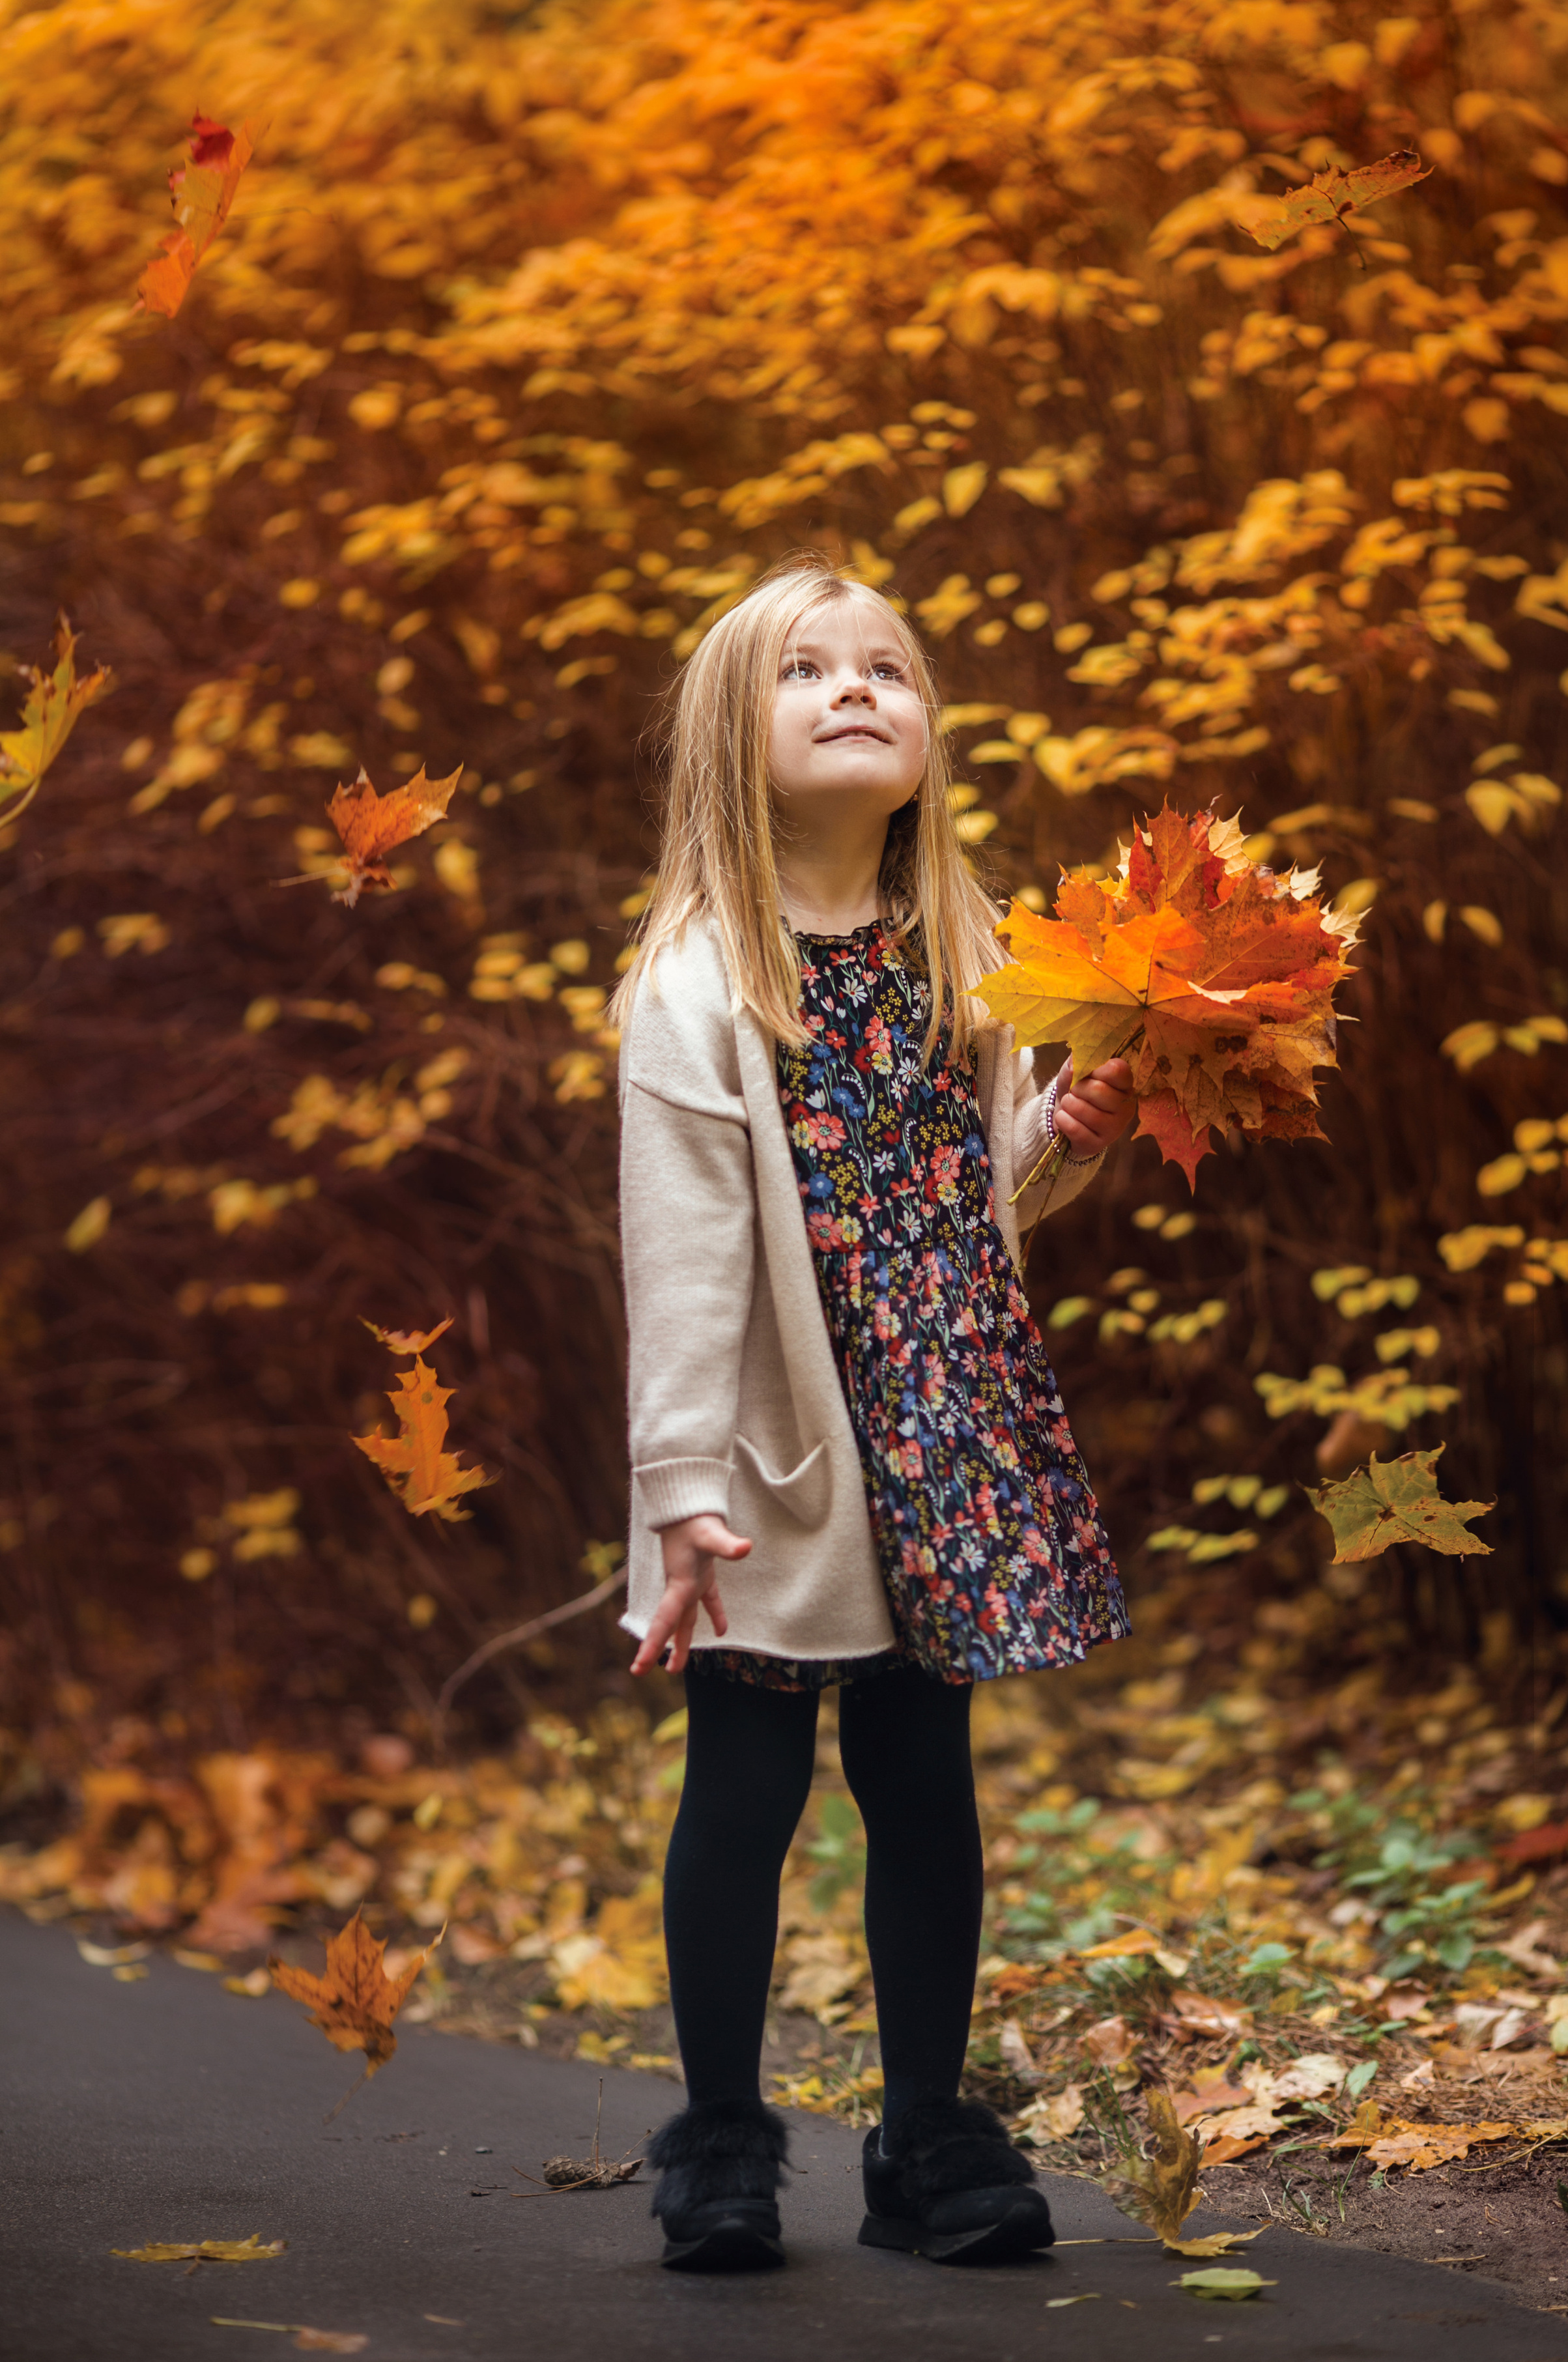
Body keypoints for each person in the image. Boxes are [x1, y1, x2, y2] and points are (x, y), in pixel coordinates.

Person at [610, 554, 1134, 2273]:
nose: (855, 689)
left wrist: (1068, 1124)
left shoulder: (967, 953)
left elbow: (969, 1197)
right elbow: (687, 1268)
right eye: (806, 670)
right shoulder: (701, 985)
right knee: (748, 1786)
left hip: (948, 1428)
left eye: (887, 668)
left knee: (925, 1781)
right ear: (728, 738)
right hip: (785, 1456)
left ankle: (922, 2134)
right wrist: (682, 1485)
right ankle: (719, 2133)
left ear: (927, 733)